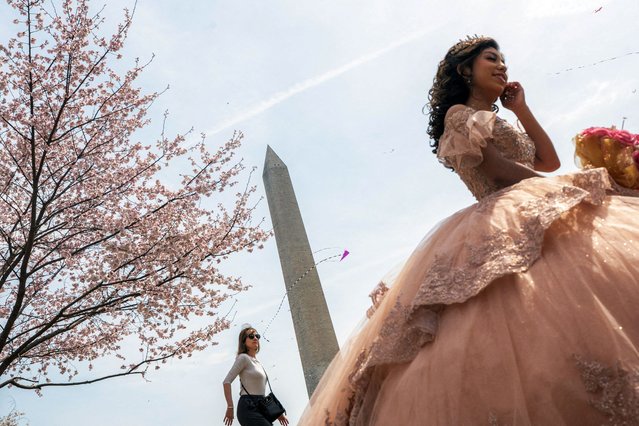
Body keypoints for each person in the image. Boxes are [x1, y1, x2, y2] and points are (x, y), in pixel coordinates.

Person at [299, 36, 639, 425]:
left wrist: (522, 110)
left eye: (504, 60)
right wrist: (563, 186)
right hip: (499, 215)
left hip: (530, 208)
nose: (502, 66)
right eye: (491, 59)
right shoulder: (459, 116)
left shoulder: (499, 118)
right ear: (466, 70)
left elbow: (548, 160)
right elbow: (495, 169)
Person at [223, 324, 289, 426]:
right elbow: (226, 382)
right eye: (251, 336)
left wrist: (277, 412)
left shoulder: (258, 362)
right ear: (244, 341)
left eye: (257, 336)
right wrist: (230, 407)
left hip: (262, 406)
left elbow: (260, 390)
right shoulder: (243, 358)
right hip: (248, 407)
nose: (255, 338)